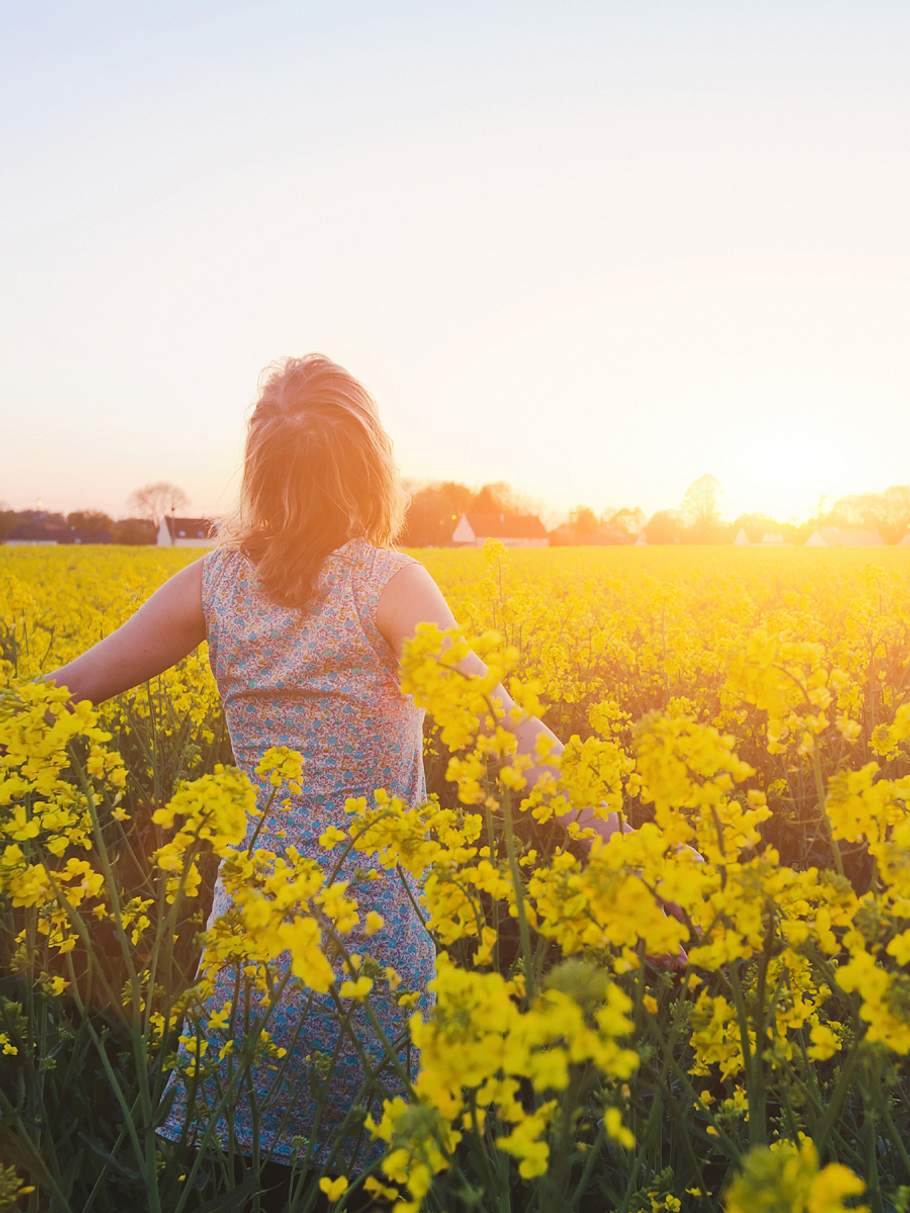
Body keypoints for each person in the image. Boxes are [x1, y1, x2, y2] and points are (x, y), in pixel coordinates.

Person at [39, 354, 650, 1208]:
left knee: (239, 1171)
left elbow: (63, 692)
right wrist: (625, 853)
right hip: (372, 924)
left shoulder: (211, 584)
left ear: (258, 470)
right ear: (372, 466)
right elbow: (506, 730)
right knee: (382, 1173)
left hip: (253, 927)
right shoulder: (390, 584)